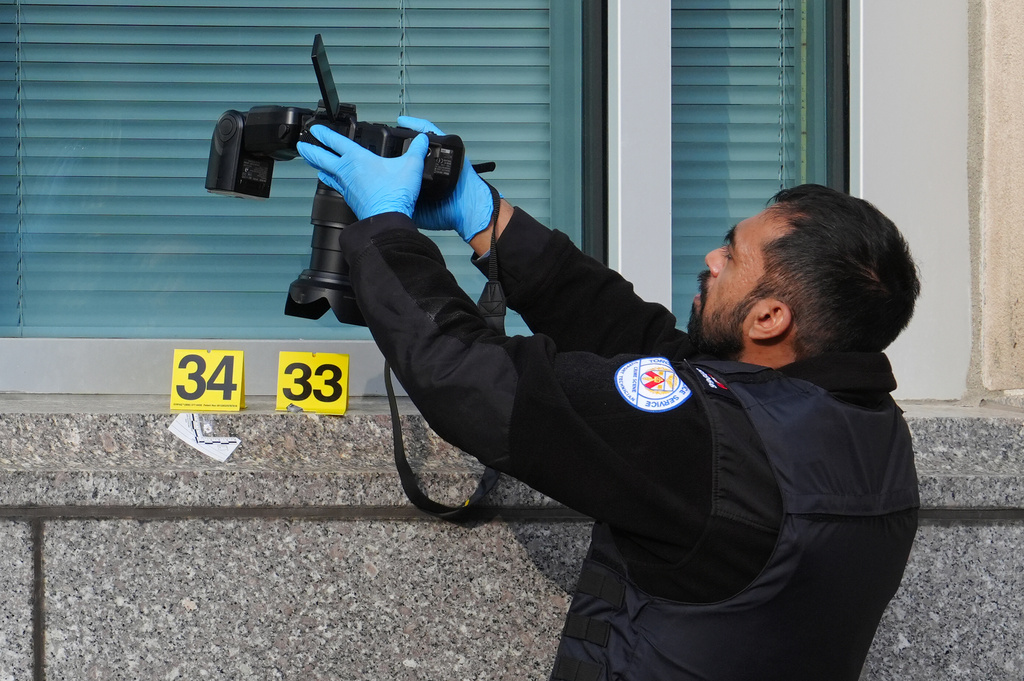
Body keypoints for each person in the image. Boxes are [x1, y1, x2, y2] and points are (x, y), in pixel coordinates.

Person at [297, 118, 922, 681]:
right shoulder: (869, 431)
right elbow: (652, 351)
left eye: (732, 255)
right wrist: (486, 220)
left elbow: (472, 378)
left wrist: (384, 226)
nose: (710, 259)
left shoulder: (716, 447)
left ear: (769, 318)